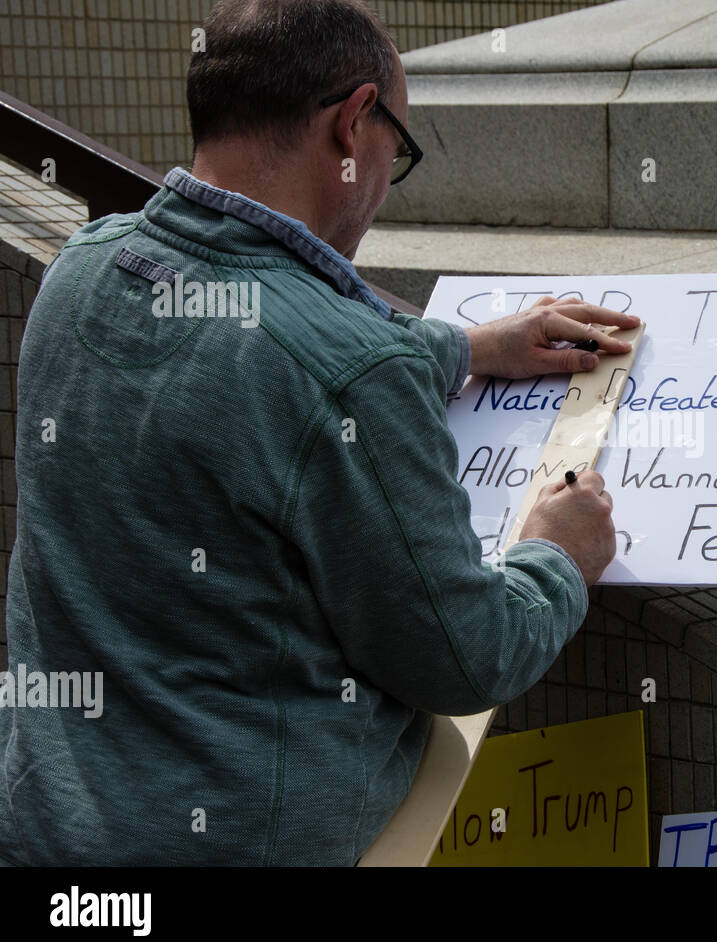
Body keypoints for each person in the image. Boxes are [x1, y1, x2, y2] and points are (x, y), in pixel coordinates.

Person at [0, 0, 637, 866]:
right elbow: (468, 654)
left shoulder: (84, 267)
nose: (385, 176)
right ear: (350, 126)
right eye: (397, 149)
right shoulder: (350, 375)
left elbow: (239, 318)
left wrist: (464, 346)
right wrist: (557, 556)